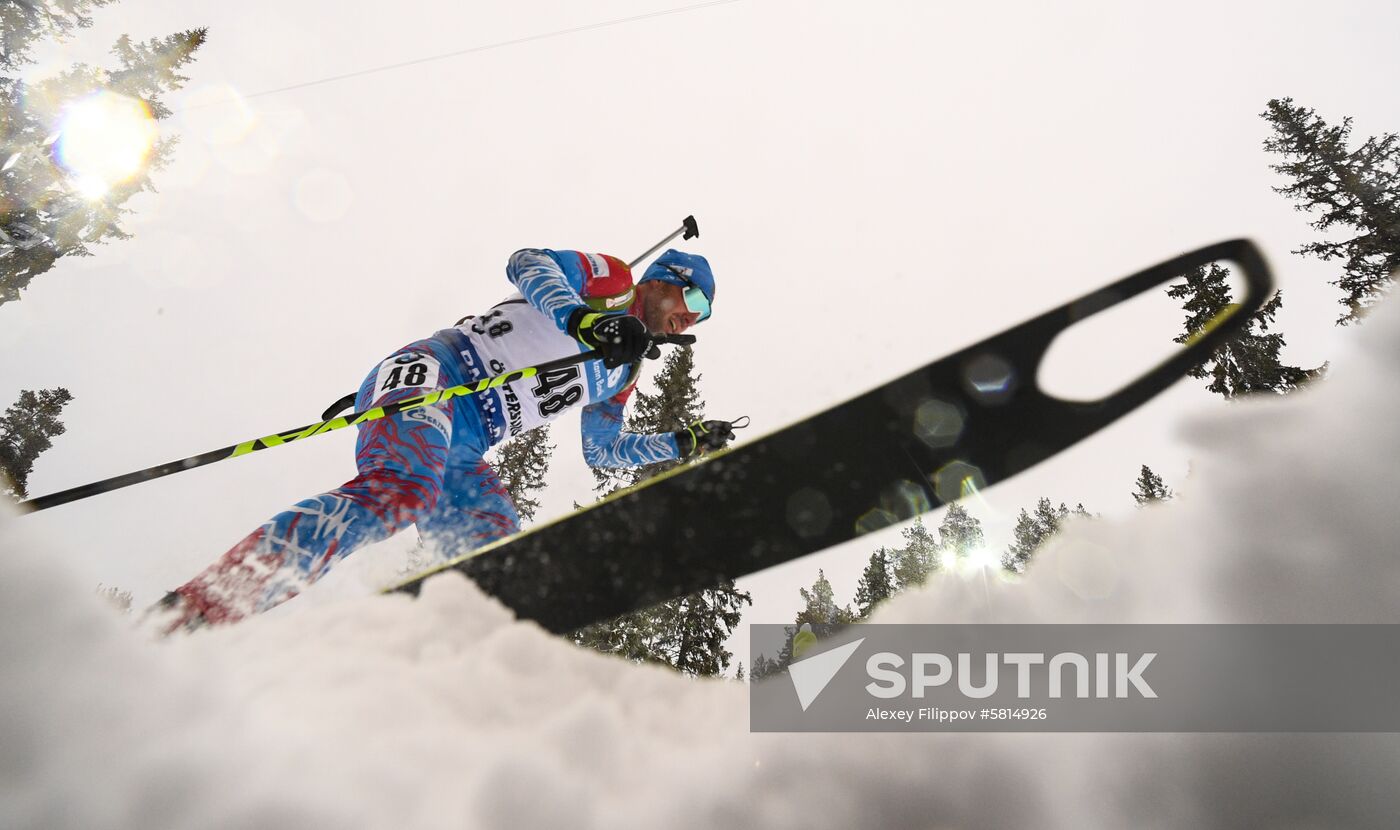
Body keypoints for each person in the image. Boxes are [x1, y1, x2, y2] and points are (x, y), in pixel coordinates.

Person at [157, 248, 737, 631]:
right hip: (439, 372)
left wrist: (680, 442)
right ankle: (203, 606)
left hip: (470, 440)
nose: (695, 319)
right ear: (664, 282)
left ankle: (411, 674)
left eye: (704, 317)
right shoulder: (610, 282)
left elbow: (602, 451)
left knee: (496, 558)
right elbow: (527, 262)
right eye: (696, 302)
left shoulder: (623, 371)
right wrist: (582, 319)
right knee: (402, 490)